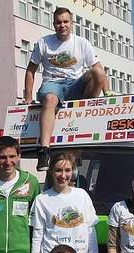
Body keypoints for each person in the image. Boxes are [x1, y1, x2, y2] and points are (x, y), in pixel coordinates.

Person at [23, 7, 109, 171]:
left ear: (71, 23)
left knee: (98, 72)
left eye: (65, 22)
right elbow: (30, 70)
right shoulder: (44, 43)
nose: (62, 25)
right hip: (53, 84)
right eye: (58, 22)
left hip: (74, 84)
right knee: (50, 99)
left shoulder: (82, 43)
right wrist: (27, 98)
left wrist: (108, 94)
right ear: (53, 24)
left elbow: (98, 68)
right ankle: (44, 150)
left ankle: (86, 107)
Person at [29, 153, 100, 253]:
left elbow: (91, 232)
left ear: (73, 172)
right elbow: (37, 238)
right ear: (51, 172)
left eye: (67, 170)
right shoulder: (41, 200)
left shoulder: (82, 195)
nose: (63, 175)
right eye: (58, 170)